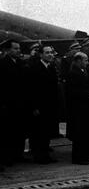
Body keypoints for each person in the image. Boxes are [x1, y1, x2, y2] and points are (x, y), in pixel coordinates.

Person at [28, 45, 59, 164]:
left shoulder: (51, 67)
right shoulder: (34, 68)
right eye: (47, 53)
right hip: (40, 106)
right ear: (41, 55)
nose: (50, 55)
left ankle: (45, 154)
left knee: (46, 131)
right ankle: (39, 156)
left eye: (51, 52)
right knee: (39, 132)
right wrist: (34, 107)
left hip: (49, 105)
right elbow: (31, 89)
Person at [0, 39, 27, 167]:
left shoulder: (21, 63)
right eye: (15, 48)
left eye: (19, 49)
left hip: (20, 103)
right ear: (7, 50)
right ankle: (7, 157)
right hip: (8, 104)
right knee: (8, 132)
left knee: (19, 131)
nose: (18, 51)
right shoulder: (3, 63)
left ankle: (18, 154)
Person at [66, 52, 89, 165]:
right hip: (78, 108)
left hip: (85, 107)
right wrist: (88, 95)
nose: (87, 62)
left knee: (85, 133)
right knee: (79, 134)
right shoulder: (73, 73)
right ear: (78, 61)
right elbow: (73, 91)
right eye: (85, 60)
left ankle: (84, 154)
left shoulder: (83, 71)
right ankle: (78, 157)